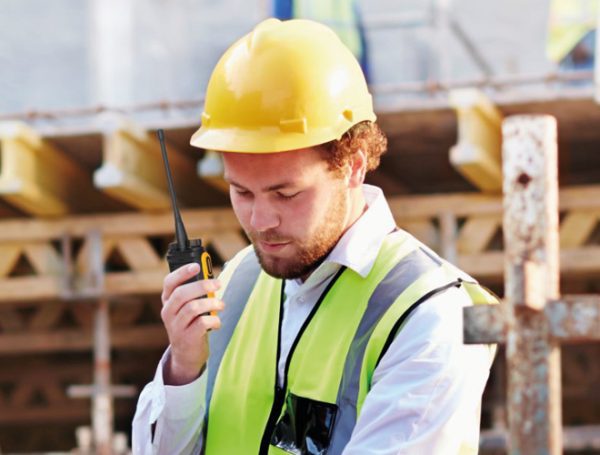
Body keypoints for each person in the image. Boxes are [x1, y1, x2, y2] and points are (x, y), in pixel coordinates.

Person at [132, 18, 496, 455]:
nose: (260, 221)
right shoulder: (237, 282)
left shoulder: (431, 315)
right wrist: (183, 370)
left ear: (353, 166)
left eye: (286, 194)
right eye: (241, 192)